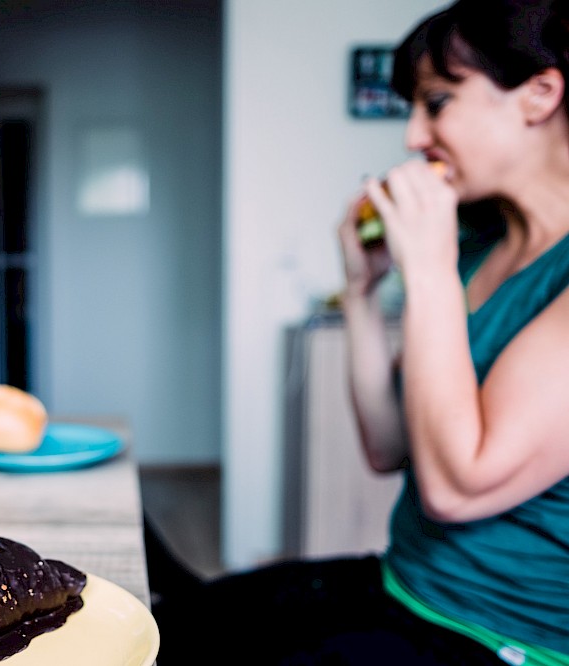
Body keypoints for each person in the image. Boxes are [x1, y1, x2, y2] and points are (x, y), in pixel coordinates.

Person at [149, 1, 569, 663]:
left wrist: (426, 268)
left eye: (436, 101)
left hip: (496, 637)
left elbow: (457, 487)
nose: (412, 136)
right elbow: (387, 444)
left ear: (539, 94)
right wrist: (363, 290)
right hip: (404, 583)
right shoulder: (477, 250)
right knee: (171, 626)